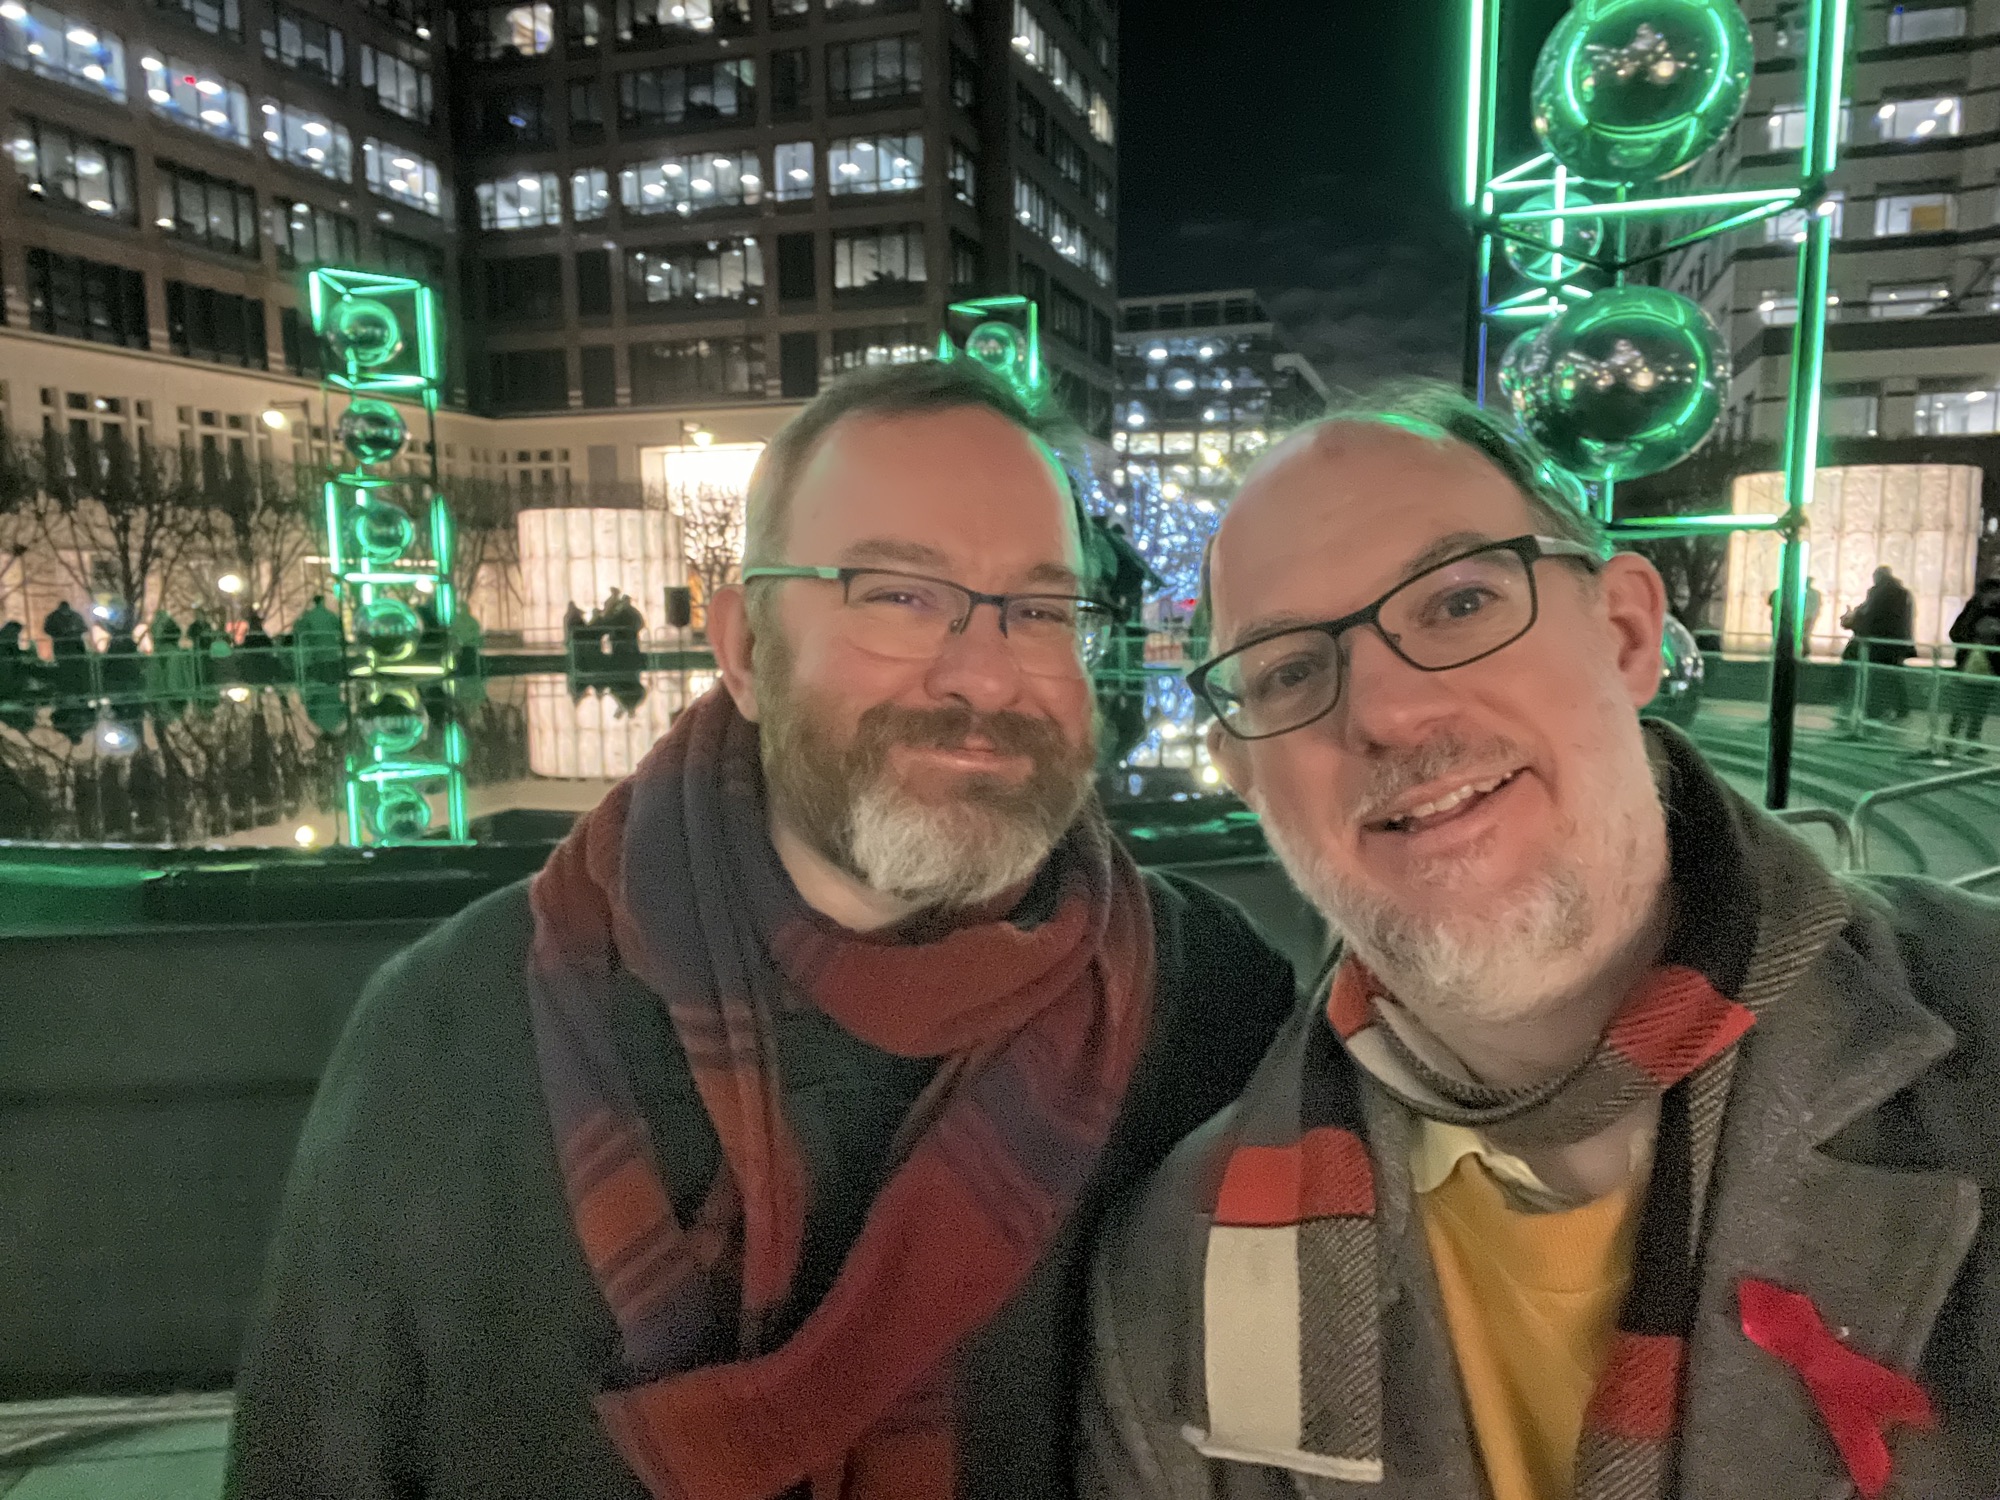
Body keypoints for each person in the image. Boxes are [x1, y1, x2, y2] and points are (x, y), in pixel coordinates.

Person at [225, 360, 1299, 1499]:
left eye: (1039, 610)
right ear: (743, 647)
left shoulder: (1205, 1001)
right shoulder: (457, 1032)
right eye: (898, 595)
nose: (986, 677)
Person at [1085, 383, 2000, 1500]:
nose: (1386, 712)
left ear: (1625, 634)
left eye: (1459, 603)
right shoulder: (1166, 1278)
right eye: (1287, 670)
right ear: (1243, 774)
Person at [1841, 565, 1916, 720]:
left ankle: (1875, 710)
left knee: (1876, 677)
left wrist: (1854, 619)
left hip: (1879, 643)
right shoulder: (1904, 593)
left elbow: (1870, 615)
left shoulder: (1878, 592)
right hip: (1897, 643)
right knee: (1894, 676)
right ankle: (1902, 708)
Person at [1947, 613, 2000, 749]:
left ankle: (1963, 741)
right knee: (1965, 711)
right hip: (1973, 675)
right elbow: (1955, 633)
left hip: (1984, 677)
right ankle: (1954, 740)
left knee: (1976, 712)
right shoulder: (1973, 613)